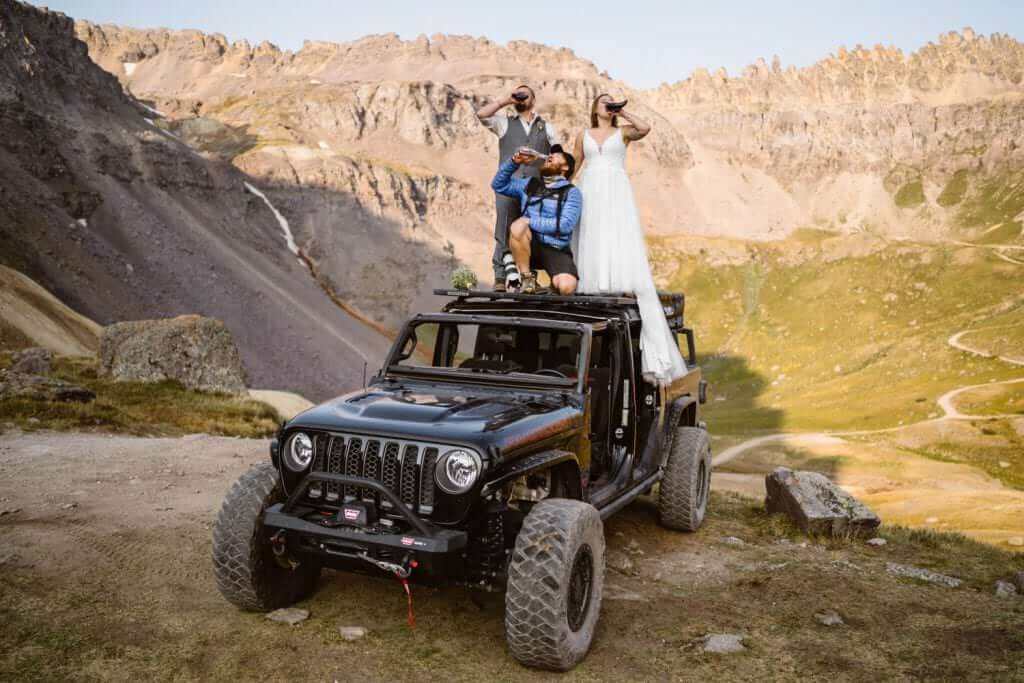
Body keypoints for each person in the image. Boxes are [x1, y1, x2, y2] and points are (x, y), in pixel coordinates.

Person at [572, 94, 688, 386]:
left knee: (614, 230)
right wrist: (561, 188)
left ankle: (612, 280)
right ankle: (593, 280)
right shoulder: (582, 134)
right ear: (594, 107)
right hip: (590, 186)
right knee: (590, 231)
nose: (608, 105)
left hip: (614, 189)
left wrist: (623, 112)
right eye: (604, 102)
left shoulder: (622, 132)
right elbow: (575, 164)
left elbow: (645, 127)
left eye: (612, 103)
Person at [476, 85, 561, 290]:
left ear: (533, 99)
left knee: (530, 230)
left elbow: (557, 156)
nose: (520, 96)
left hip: (533, 186)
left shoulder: (547, 127)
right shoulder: (505, 124)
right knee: (503, 226)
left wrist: (538, 158)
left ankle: (528, 277)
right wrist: (506, 100)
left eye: (524, 94)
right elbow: (481, 114)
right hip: (507, 183)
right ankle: (499, 276)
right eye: (518, 94)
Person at [491, 145, 580, 295]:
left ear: (565, 167)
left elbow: (565, 225)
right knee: (518, 226)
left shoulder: (572, 192)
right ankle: (527, 279)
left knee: (567, 287)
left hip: (555, 248)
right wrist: (515, 161)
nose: (549, 158)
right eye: (548, 157)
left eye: (556, 156)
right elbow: (498, 185)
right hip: (528, 246)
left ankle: (552, 285)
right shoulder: (529, 184)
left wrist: (530, 221)